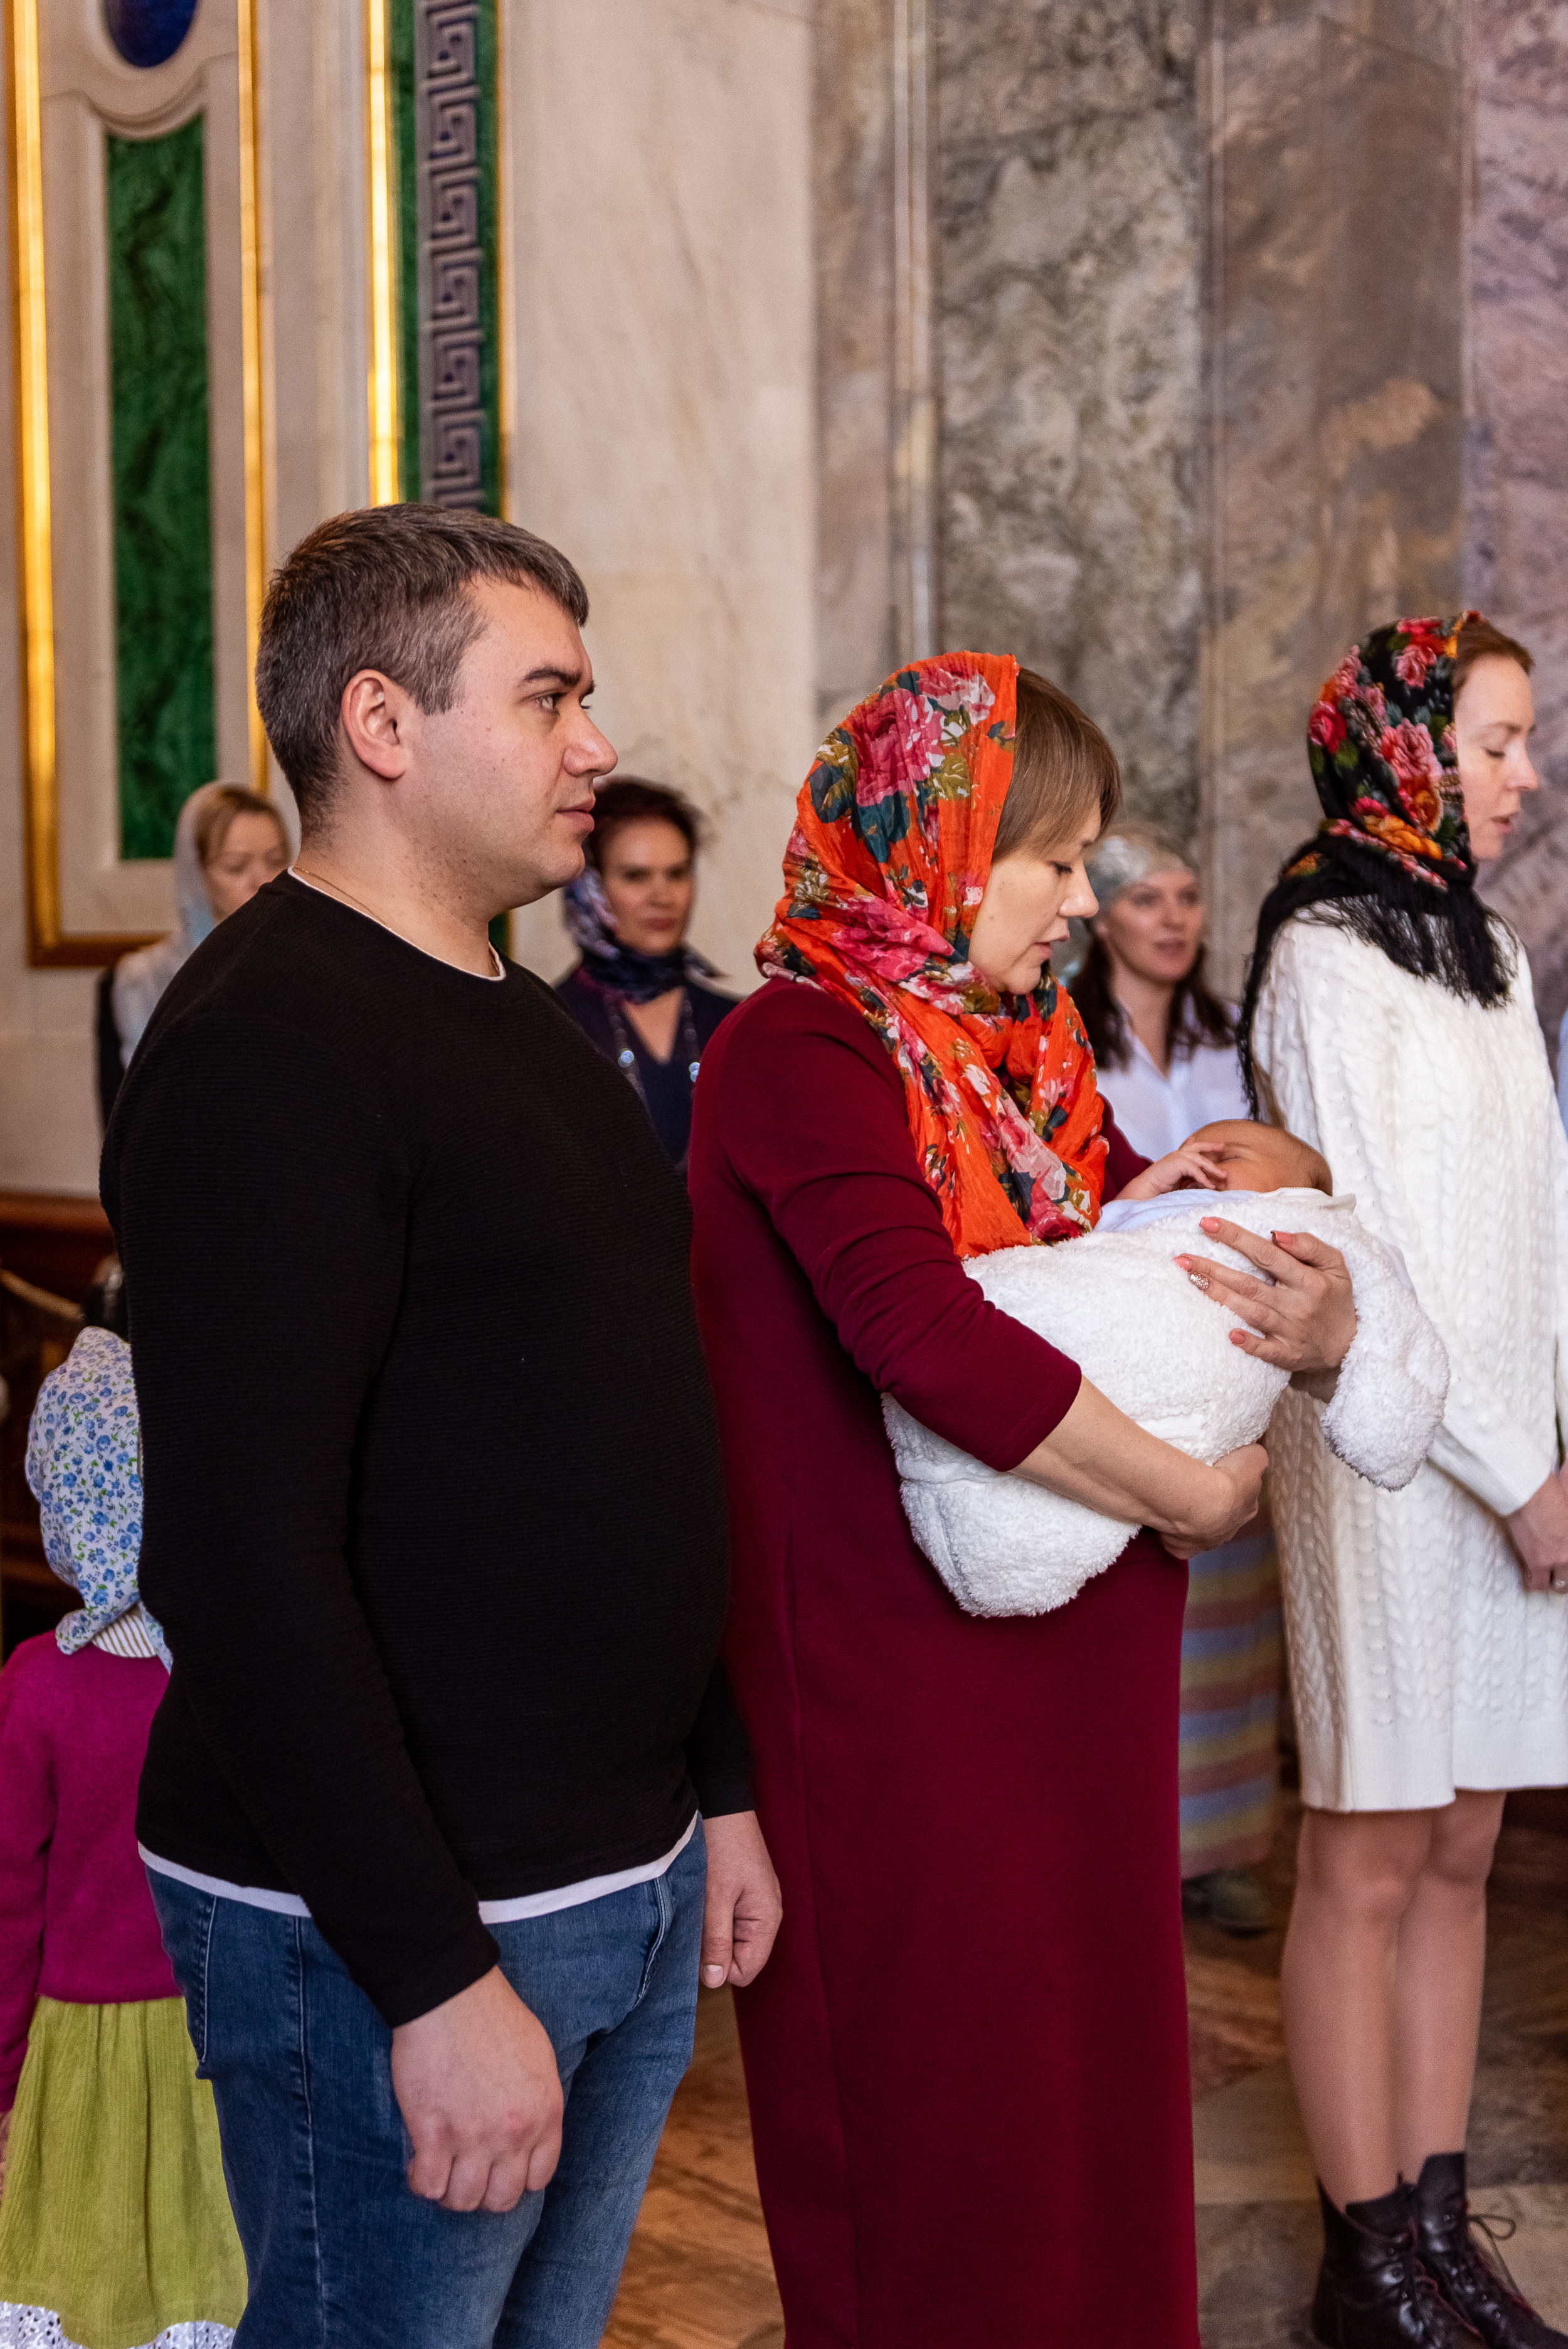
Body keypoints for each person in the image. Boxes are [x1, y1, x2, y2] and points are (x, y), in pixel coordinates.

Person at [101, 504, 781, 2348]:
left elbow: (628, 1428)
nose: (596, 742)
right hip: (396, 1925)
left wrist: (708, 1789)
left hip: (607, 1875)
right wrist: (428, 1977)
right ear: (385, 726)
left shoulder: (508, 1016)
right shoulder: (267, 1045)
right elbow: (240, 1558)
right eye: (548, 696)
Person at [688, 652, 1358, 2349]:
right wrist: (1189, 1495)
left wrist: (1293, 1259)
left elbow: (1119, 1253)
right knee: (937, 2121)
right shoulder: (799, 1044)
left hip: (1070, 1646)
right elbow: (915, 1327)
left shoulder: (1014, 1054)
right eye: (1048, 857)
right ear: (931, 846)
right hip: (890, 1674)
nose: (1081, 894)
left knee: (1085, 2092)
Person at [1244, 612, 1568, 2349]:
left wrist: (1556, 1446)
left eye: (1521, 740)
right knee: (1363, 1850)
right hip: (1383, 1456)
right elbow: (1366, 1252)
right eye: (1496, 739)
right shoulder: (1319, 950)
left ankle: (1440, 2231)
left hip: (1514, 1459)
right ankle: (1362, 2257)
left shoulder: (1488, 954)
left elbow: (1532, 1226)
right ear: (1404, 745)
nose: (1523, 773)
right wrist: (1517, 1470)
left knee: (1462, 1845)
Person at [884, 1118, 1444, 1617]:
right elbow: (1093, 1251)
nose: (1194, 1162)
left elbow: (1387, 1316)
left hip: (1135, 1505)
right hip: (1023, 1405)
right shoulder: (1159, 1197)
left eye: (1223, 1158)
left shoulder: (1310, 1224)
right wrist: (1137, 1198)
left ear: (1300, 1192)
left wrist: (1342, 1353)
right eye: (1185, 1152)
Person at [0, 1328, 245, 2348]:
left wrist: (4, 2072)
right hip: (216, 2047)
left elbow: (8, 1904)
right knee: (204, 2280)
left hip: (74, 2056)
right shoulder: (229, 1685)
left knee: (78, 2276)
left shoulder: (36, 1690)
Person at [1072, 824, 1285, 1932]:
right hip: (1119, 1351)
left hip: (1231, 1344)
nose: (1173, 919)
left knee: (1231, 1616)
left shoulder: (1232, 1041)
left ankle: (1220, 1849)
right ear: (1099, 913)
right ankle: (1129, 1842)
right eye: (1147, 899)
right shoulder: (1068, 1040)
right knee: (1132, 1599)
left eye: (1189, 898)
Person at [555, 777, 737, 1167]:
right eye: (636, 876)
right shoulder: (552, 1024)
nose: (662, 897)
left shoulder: (736, 1024)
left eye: (677, 873)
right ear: (590, 886)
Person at [98, 782, 290, 1127]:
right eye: (236, 866)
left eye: (276, 861)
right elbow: (124, 1132)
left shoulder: (308, 970)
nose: (263, 882)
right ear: (197, 876)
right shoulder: (143, 982)